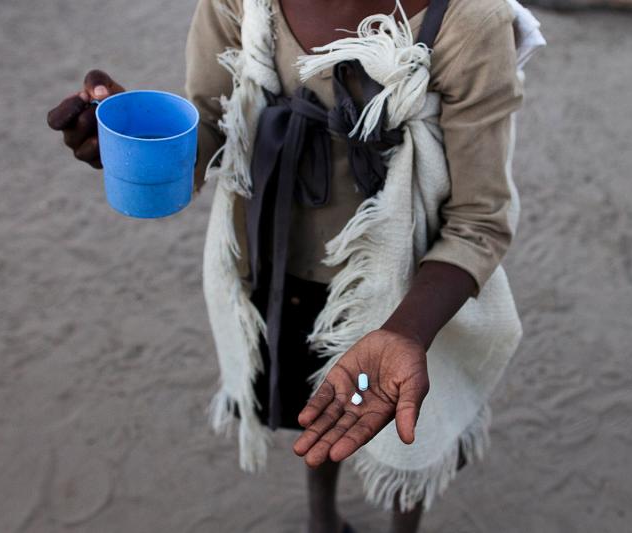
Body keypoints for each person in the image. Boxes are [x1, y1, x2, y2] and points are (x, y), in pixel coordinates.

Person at [47, 0, 543, 531]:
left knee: (404, 428)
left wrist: (405, 334)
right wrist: (145, 145)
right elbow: (214, 125)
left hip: (414, 291)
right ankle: (322, 520)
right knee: (319, 409)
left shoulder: (469, 20)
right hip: (283, 263)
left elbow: (478, 221)